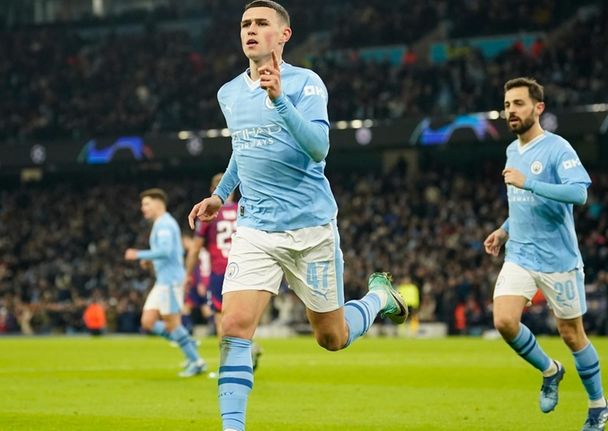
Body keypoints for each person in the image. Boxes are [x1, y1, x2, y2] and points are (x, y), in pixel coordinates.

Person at [186, 2, 408, 430]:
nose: (250, 30)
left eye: (261, 23)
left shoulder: (306, 84)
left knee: (332, 337)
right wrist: (220, 193)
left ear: (283, 35)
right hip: (255, 229)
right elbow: (243, 146)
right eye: (245, 24)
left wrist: (280, 100)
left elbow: (319, 148)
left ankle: (380, 297)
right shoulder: (228, 92)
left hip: (310, 229)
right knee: (232, 326)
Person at [483, 77, 608, 430]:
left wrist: (530, 182)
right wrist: (503, 230)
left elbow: (579, 194)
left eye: (518, 104)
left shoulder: (558, 149)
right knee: (504, 321)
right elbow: (522, 203)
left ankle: (598, 405)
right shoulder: (512, 151)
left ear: (538, 108)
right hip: (521, 255)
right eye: (507, 105)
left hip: (559, 260)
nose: (511, 111)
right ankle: (550, 370)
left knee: (572, 335)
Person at [125, 188, 206, 377]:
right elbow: (164, 252)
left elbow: (166, 251)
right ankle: (185, 340)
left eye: (146, 204)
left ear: (158, 204)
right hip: (162, 281)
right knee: (148, 322)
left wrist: (139, 254)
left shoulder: (164, 225)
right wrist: (150, 260)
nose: (142, 208)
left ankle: (196, 361)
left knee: (171, 323)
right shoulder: (161, 223)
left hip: (170, 281)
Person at [185, 173, 262, 369]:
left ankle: (228, 367)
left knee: (222, 320)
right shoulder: (243, 210)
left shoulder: (208, 214)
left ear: (214, 191)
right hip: (245, 267)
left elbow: (195, 249)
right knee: (242, 316)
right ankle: (247, 348)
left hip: (221, 271)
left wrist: (188, 275)